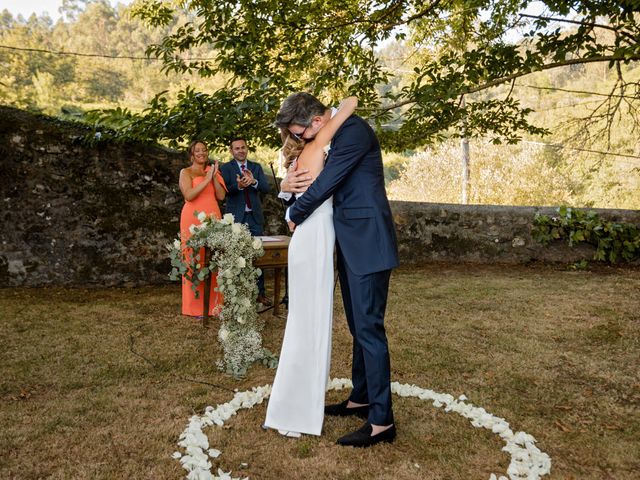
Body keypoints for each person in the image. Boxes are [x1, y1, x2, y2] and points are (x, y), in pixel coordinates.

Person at [275, 93, 399, 447]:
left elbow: (326, 183)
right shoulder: (332, 134)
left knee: (370, 330)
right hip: (348, 244)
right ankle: (360, 397)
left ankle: (381, 422)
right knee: (358, 326)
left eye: (299, 132)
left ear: (316, 121)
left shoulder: (353, 134)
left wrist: (292, 215)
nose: (298, 138)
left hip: (369, 244)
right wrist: (287, 189)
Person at [264, 96, 358, 438]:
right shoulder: (317, 145)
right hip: (315, 237)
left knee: (305, 319)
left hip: (306, 237)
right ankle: (298, 410)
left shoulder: (304, 154)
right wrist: (326, 112)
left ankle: (296, 403)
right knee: (311, 319)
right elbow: (351, 102)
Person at [219, 138, 272, 307]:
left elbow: (266, 188)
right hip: (236, 218)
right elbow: (225, 190)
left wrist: (254, 182)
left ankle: (259, 293)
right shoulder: (226, 168)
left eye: (243, 147)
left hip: (255, 218)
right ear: (231, 151)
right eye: (237, 148)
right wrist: (240, 185)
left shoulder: (255, 167)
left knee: (258, 256)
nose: (240, 150)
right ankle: (237, 294)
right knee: (236, 257)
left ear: (246, 149)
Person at [179, 140, 227, 317]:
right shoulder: (186, 172)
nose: (201, 153)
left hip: (213, 218)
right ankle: (194, 307)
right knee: (193, 259)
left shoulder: (212, 172)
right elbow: (189, 195)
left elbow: (221, 196)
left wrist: (213, 175)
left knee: (214, 259)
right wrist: (205, 179)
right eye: (197, 150)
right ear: (192, 154)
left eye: (204, 150)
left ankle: (215, 305)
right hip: (192, 219)